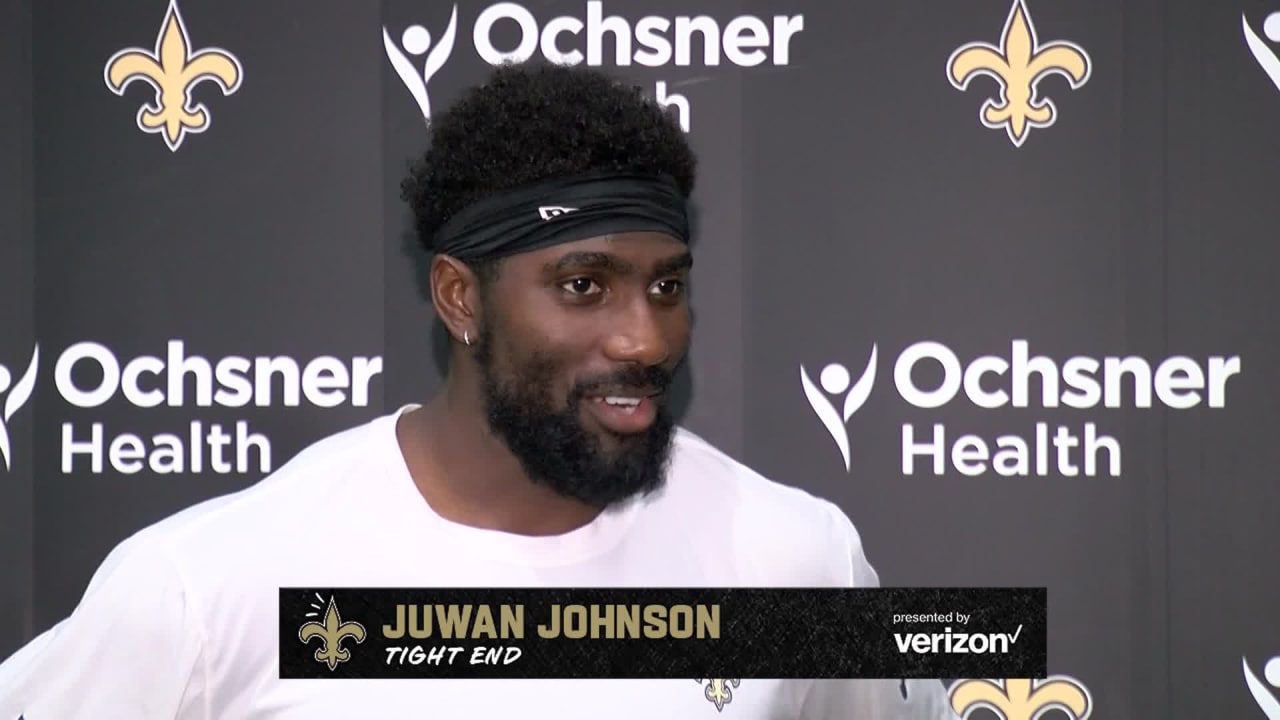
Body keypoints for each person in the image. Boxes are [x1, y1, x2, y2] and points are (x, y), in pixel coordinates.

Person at [0, 61, 958, 718]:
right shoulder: (210, 589)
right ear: (461, 296)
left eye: (666, 284)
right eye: (584, 286)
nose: (643, 334)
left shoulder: (795, 555)